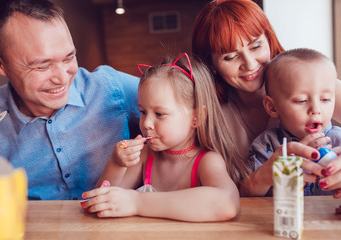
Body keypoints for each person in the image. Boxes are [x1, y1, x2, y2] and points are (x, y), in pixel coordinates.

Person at [0, 0, 140, 200]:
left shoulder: (110, 87)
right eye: (42, 66)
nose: (63, 79)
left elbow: (185, 104)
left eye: (68, 58)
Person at [192, 0, 341, 198]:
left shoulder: (318, 83)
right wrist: (261, 178)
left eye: (256, 46)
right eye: (230, 57)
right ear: (211, 64)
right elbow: (222, 196)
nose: (250, 63)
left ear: (269, 39)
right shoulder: (211, 116)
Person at [81, 53, 244, 222]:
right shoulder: (145, 156)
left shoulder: (207, 161)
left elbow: (228, 203)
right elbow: (103, 204)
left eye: (160, 114)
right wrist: (117, 164)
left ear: (197, 118)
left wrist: (137, 202)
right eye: (143, 112)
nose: (146, 123)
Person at [249, 48, 341, 196]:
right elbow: (253, 197)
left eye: (325, 99)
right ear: (272, 107)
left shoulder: (338, 141)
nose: (315, 109)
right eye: (301, 100)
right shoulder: (267, 145)